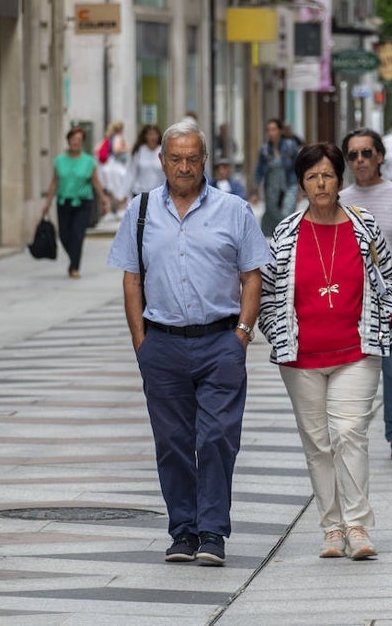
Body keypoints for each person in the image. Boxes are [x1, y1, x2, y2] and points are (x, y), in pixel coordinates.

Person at [108, 120, 272, 566]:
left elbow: (253, 275)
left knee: (218, 437)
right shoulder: (139, 211)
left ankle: (213, 533)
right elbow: (131, 279)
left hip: (220, 341)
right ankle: (183, 531)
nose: (184, 166)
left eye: (192, 159)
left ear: (205, 161)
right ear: (162, 161)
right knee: (173, 441)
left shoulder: (233, 210)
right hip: (162, 344)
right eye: (176, 158)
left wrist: (242, 333)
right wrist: (141, 343)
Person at [258, 142, 392, 561]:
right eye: (311, 177)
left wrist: (386, 318)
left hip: (357, 349)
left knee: (349, 433)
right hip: (301, 358)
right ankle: (331, 528)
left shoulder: (363, 225)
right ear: (301, 183)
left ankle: (357, 525)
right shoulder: (285, 233)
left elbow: (388, 277)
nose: (320, 183)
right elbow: (268, 292)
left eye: (327, 175)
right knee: (317, 443)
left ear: (340, 179)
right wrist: (275, 331)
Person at [339, 128, 392, 461]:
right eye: (353, 154)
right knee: (351, 369)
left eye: (366, 153)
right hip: (351, 300)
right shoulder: (341, 200)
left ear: (380, 157)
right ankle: (350, 432)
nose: (360, 160)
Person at [41, 126, 110, 278]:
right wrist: (47, 203)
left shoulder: (89, 161)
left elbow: (96, 182)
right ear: (68, 141)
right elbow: (54, 182)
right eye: (73, 139)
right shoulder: (59, 161)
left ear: (82, 142)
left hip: (83, 203)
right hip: (64, 202)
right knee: (65, 235)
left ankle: (74, 267)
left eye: (78, 140)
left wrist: (104, 200)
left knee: (78, 235)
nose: (75, 142)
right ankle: (73, 260)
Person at [254, 118, 299, 236]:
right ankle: (276, 237)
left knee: (287, 213)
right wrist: (255, 190)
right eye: (268, 130)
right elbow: (259, 170)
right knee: (272, 213)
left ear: (280, 131)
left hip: (289, 184)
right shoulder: (265, 150)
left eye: (273, 129)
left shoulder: (290, 146)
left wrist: (302, 187)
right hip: (272, 187)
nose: (271, 133)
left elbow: (298, 166)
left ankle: (287, 237)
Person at [97, 122, 131, 214]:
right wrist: (127, 148)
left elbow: (96, 149)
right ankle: (120, 209)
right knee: (121, 188)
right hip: (116, 167)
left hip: (109, 167)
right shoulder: (118, 138)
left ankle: (110, 211)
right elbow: (116, 149)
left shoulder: (108, 138)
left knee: (111, 190)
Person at [129, 124, 165, 195]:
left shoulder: (163, 151)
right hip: (140, 193)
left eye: (155, 134)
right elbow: (131, 172)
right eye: (150, 134)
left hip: (158, 194)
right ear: (145, 136)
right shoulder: (139, 151)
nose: (153, 137)